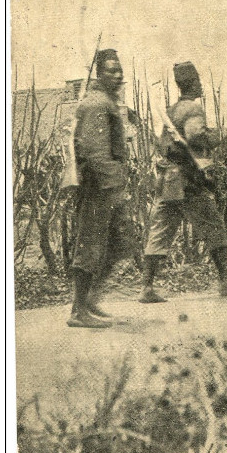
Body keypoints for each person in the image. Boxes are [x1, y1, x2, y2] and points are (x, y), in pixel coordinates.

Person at [140, 61, 227, 303]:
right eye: (198, 81)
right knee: (215, 227)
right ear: (194, 83)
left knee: (160, 232)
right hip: (188, 181)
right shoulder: (192, 110)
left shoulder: (171, 110)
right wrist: (217, 136)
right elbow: (196, 135)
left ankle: (146, 287)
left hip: (168, 181)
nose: (201, 85)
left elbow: (162, 143)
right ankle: (226, 283)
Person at [68, 48, 132, 328]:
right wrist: (113, 185)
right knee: (91, 245)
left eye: (119, 70)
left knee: (117, 244)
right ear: (98, 74)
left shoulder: (106, 102)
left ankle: (89, 300)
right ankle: (78, 310)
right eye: (110, 70)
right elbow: (94, 151)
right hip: (98, 186)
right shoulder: (97, 104)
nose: (117, 75)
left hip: (106, 185)